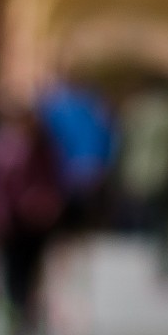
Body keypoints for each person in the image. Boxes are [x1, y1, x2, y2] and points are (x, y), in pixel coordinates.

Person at [0, 97, 66, 335]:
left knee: (18, 268)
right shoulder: (31, 145)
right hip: (21, 217)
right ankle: (21, 314)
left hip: (18, 217)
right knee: (20, 268)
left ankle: (20, 314)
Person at [114, 80, 168, 281]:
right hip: (165, 172)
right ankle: (164, 263)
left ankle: (143, 262)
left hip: (139, 173)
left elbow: (124, 141)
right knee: (163, 219)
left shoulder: (136, 109)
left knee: (142, 217)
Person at [35, 76, 116, 227]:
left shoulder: (54, 108)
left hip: (65, 172)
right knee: (88, 220)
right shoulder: (95, 106)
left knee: (68, 222)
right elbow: (108, 135)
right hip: (93, 167)